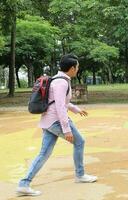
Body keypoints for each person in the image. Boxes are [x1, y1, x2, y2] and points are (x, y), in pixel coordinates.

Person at [16, 54, 97, 196]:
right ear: (72, 68)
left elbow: (61, 102)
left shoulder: (58, 79)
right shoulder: (62, 83)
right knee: (80, 142)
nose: (78, 69)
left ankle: (24, 183)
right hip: (56, 121)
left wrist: (76, 110)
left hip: (48, 121)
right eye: (77, 67)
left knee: (44, 153)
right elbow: (60, 107)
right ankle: (80, 175)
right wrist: (66, 129)